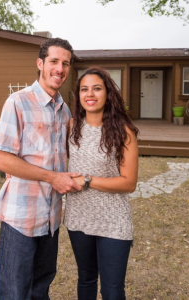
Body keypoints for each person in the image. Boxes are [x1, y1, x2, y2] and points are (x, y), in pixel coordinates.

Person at [0, 38, 82, 300]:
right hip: (21, 218)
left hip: (50, 219)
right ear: (40, 63)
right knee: (13, 292)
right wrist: (51, 177)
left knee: (40, 289)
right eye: (54, 61)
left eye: (65, 63)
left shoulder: (65, 112)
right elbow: (0, 159)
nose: (60, 69)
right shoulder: (18, 102)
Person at [64, 67, 139, 300]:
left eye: (97, 88)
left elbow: (129, 183)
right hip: (79, 217)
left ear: (108, 93)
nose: (91, 94)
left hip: (113, 220)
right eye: (84, 89)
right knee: (86, 279)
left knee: (112, 290)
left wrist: (87, 180)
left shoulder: (123, 132)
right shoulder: (70, 127)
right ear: (78, 95)